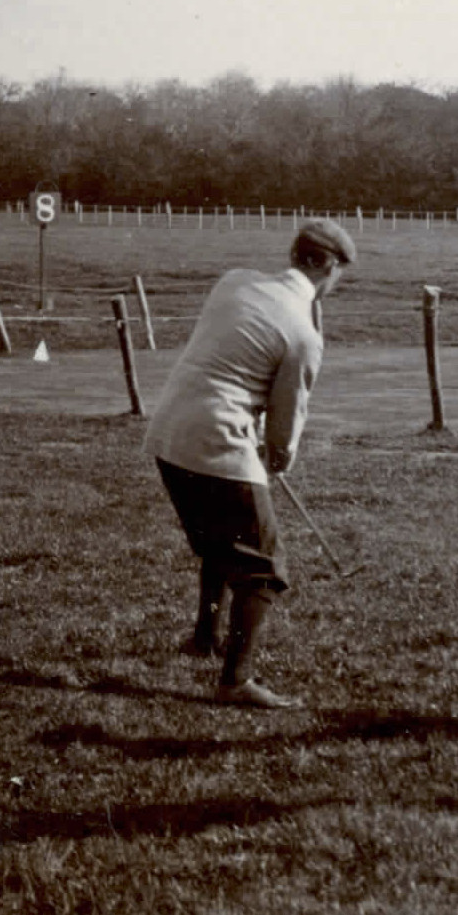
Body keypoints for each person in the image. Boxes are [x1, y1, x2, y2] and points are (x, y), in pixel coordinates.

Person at [143, 218, 356, 708]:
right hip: (215, 441)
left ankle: (203, 638)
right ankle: (235, 681)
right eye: (340, 271)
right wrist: (277, 458)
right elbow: (286, 426)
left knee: (221, 544)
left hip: (168, 434)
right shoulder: (304, 333)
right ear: (328, 266)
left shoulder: (234, 279)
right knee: (264, 567)